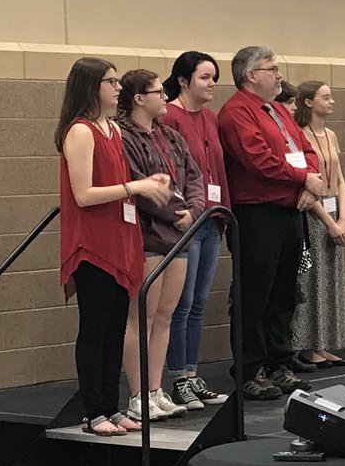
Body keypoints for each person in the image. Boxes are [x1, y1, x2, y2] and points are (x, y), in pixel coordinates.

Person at [55, 58, 171, 436]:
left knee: (115, 328)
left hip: (120, 239)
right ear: (91, 87)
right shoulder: (81, 131)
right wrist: (136, 187)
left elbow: (119, 183)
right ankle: (94, 410)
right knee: (95, 327)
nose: (118, 87)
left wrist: (146, 182)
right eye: (110, 81)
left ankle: (112, 404)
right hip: (92, 243)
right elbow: (84, 194)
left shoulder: (113, 130)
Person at [218, 45, 321, 399]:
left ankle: (280, 363)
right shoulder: (236, 113)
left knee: (283, 293)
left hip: (289, 209)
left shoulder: (277, 110)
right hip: (256, 214)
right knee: (255, 294)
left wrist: (308, 180)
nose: (279, 74)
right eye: (272, 68)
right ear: (251, 75)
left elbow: (307, 151)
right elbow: (258, 160)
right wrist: (303, 179)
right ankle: (250, 368)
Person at [117, 68, 205, 422]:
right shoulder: (125, 138)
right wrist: (175, 213)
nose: (165, 97)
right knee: (142, 317)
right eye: (158, 92)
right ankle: (138, 395)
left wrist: (195, 211)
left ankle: (155, 389)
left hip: (179, 236)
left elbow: (195, 177)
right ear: (139, 99)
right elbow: (141, 187)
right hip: (149, 236)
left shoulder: (170, 136)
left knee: (166, 316)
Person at [161, 51, 230, 410]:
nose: (212, 84)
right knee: (181, 303)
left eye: (214, 77)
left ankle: (191, 371)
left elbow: (217, 169)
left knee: (199, 302)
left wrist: (224, 214)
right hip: (187, 221)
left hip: (212, 219)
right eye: (205, 77)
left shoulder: (210, 117)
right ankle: (177, 376)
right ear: (184, 80)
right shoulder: (170, 117)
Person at [291, 81, 345, 366]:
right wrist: (329, 221)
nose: (331, 102)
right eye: (325, 97)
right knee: (311, 280)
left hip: (333, 214)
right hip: (314, 215)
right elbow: (306, 185)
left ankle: (324, 342)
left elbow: (339, 180)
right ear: (308, 103)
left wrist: (343, 217)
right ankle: (305, 344)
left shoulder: (330, 134)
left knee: (331, 281)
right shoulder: (299, 135)